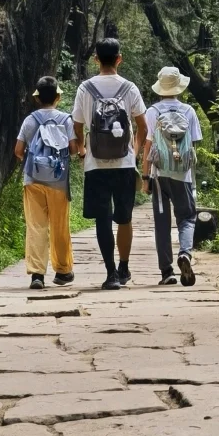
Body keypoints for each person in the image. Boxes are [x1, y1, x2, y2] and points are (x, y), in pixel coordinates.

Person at [72, 38, 147, 290]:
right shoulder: (130, 88)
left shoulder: (85, 88)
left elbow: (77, 125)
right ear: (119, 58)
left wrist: (83, 150)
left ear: (96, 59)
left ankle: (111, 273)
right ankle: (124, 265)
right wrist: (133, 153)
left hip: (96, 165)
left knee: (102, 219)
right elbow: (143, 127)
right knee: (124, 218)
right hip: (124, 164)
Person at [15, 75, 80, 289]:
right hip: (58, 181)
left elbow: (18, 151)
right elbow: (72, 149)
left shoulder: (30, 120)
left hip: (32, 180)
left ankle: (37, 274)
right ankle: (62, 271)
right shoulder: (66, 120)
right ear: (58, 97)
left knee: (36, 226)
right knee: (59, 226)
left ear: (37, 98)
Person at [142, 65, 202, 286]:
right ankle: (185, 253)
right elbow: (193, 146)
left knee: (162, 222)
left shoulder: (152, 112)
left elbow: (148, 147)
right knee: (187, 217)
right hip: (182, 175)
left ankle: (167, 272)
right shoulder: (189, 111)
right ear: (179, 88)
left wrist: (145, 176)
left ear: (160, 88)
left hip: (159, 174)